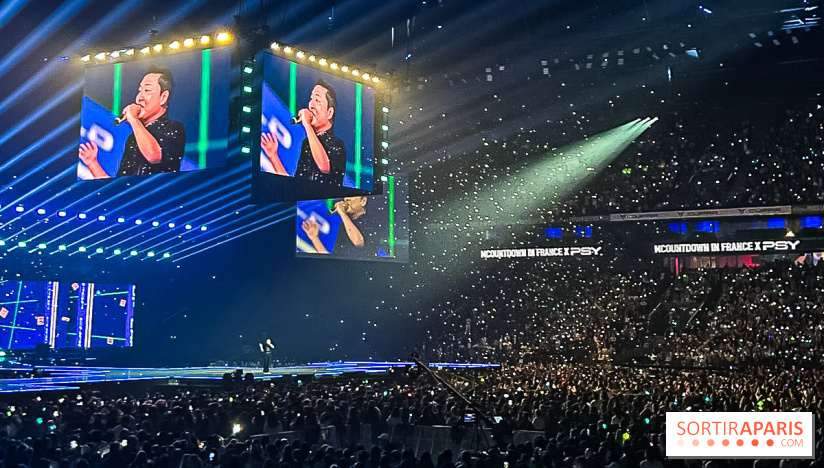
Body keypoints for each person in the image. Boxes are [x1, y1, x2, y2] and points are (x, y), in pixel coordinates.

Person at [79, 67, 186, 178]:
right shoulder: (133, 139)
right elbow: (121, 185)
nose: (139, 98)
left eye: (147, 90)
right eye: (139, 91)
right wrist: (92, 163)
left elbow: (154, 156)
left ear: (163, 97)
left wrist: (133, 119)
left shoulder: (174, 128)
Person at [262, 79, 346, 185]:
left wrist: (307, 124)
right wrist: (273, 156)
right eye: (311, 99)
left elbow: (324, 167)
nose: (311, 105)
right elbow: (295, 186)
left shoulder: (337, 145)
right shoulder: (307, 143)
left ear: (329, 112)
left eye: (317, 100)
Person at [302, 196, 368, 255]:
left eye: (352, 195)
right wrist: (315, 238)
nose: (346, 199)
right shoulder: (342, 228)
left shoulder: (370, 221)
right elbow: (331, 260)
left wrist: (342, 212)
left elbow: (359, 242)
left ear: (363, 201)